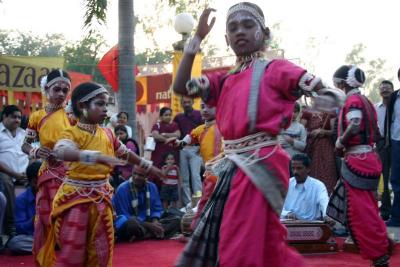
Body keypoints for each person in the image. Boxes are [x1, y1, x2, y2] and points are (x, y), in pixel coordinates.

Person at [173, 4, 324, 266]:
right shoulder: (224, 79)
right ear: (226, 39)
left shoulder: (275, 69)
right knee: (262, 244)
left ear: (264, 33)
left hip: (259, 164)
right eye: (233, 28)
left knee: (240, 244)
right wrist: (196, 37)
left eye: (247, 25)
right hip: (229, 167)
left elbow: (317, 87)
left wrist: (330, 97)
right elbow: (180, 86)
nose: (239, 32)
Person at [36, 82, 164, 266]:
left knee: (101, 250)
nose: (106, 109)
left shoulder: (108, 133)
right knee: (74, 251)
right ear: (82, 106)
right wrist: (94, 157)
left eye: (106, 104)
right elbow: (61, 151)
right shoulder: (72, 133)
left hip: (102, 199)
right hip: (75, 200)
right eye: (100, 104)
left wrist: (148, 166)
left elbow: (126, 154)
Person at [327, 65, 390, 267]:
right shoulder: (367, 101)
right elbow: (377, 133)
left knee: (361, 212)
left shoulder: (353, 101)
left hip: (358, 161)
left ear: (343, 83)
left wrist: (340, 143)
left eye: (336, 82)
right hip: (369, 157)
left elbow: (354, 125)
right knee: (369, 209)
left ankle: (380, 256)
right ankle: (381, 247)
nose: (335, 85)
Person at [20, 69, 72, 263]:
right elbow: (25, 145)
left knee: (70, 222)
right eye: (56, 89)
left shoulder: (73, 115)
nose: (60, 94)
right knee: (44, 221)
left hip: (72, 176)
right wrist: (35, 151)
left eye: (65, 90)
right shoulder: (36, 117)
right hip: (47, 174)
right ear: (46, 89)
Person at [176, 101, 223, 228]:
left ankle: (198, 229)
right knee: (206, 202)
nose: (205, 110)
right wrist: (178, 143)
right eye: (202, 107)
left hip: (223, 172)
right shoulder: (200, 129)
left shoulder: (224, 126)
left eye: (209, 106)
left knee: (211, 202)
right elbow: (188, 139)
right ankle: (198, 229)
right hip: (210, 174)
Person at [113, 166, 180, 242]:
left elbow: (157, 209)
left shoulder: (152, 187)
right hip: (134, 224)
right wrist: (149, 225)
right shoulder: (122, 189)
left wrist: (155, 221)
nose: (136, 177)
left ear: (147, 176)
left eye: (140, 175)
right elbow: (123, 216)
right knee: (132, 224)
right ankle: (154, 233)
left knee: (176, 219)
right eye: (134, 173)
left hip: (148, 223)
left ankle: (145, 236)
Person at [0, 105, 28, 238]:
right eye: (14, 117)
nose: (17, 120)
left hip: (24, 174)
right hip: (5, 173)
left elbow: (32, 155)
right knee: (6, 182)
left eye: (19, 117)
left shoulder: (24, 134)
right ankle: (11, 225)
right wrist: (14, 174)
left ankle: (38, 225)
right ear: (5, 117)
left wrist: (30, 172)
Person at [301, 95, 338, 194]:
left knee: (328, 171)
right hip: (312, 147)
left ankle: (328, 200)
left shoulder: (330, 112)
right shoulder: (307, 112)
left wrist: (323, 132)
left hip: (326, 146)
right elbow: (301, 131)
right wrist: (312, 133)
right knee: (312, 172)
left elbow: (334, 132)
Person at [173, 97, 203, 206]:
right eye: (184, 102)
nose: (186, 104)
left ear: (193, 102)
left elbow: (204, 131)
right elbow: (175, 132)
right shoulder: (178, 117)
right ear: (181, 104)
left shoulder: (199, 115)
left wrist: (201, 147)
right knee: (184, 178)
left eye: (188, 102)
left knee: (196, 176)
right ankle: (188, 204)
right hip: (183, 149)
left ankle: (199, 202)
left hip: (196, 149)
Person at [281, 154, 329, 221]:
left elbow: (324, 202)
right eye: (293, 168)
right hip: (288, 225)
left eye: (299, 168)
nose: (295, 172)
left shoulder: (318, 185)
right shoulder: (286, 183)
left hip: (310, 227)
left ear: (308, 169)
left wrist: (326, 215)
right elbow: (276, 207)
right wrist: (287, 214)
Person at [7, 161, 41, 255]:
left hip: (52, 235)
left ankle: (46, 246)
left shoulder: (52, 195)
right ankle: (48, 246)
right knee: (15, 243)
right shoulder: (21, 200)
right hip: (32, 237)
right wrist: (34, 220)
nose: (39, 185)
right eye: (35, 182)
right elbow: (20, 229)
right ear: (30, 182)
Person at [375, 80, 394, 221]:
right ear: (379, 92)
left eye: (388, 88)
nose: (385, 90)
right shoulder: (376, 108)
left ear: (393, 90)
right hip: (382, 144)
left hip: (397, 142)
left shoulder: (397, 106)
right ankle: (386, 210)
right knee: (384, 177)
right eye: (382, 88)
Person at [150, 107, 180, 186]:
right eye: (166, 115)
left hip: (171, 155)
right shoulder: (157, 125)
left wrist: (165, 135)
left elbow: (178, 135)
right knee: (157, 174)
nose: (168, 116)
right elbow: (156, 136)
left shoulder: (174, 125)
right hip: (158, 154)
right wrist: (169, 139)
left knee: (171, 174)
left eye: (170, 115)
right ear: (160, 116)